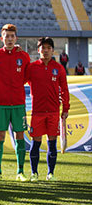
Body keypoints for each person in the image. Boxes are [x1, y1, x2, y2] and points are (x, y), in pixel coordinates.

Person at [0, 24, 30, 182]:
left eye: (12, 36)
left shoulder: (24, 56)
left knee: (20, 135)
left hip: (18, 103)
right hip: (1, 104)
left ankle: (20, 171)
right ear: (1, 38)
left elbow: (26, 78)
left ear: (16, 38)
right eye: (7, 36)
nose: (10, 39)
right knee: (0, 136)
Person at [26, 37, 69, 181]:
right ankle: (34, 173)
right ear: (38, 50)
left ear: (52, 51)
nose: (45, 50)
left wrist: (65, 109)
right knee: (35, 143)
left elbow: (64, 90)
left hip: (53, 112)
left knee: (52, 143)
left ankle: (51, 173)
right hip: (37, 112)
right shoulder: (31, 67)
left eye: (48, 48)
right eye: (43, 48)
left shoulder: (59, 68)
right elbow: (17, 82)